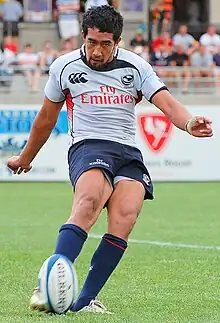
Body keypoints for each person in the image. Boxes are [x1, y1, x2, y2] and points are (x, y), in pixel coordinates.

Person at [7, 5, 213, 314]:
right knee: (89, 201)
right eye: (92, 42)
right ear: (84, 37)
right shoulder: (64, 67)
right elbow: (46, 119)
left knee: (126, 217)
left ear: (118, 41)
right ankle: (49, 281)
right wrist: (26, 157)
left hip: (127, 153)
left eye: (105, 44)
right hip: (89, 146)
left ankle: (83, 301)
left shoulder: (136, 67)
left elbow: (167, 104)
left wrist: (188, 123)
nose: (97, 50)